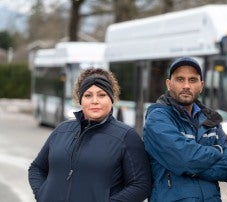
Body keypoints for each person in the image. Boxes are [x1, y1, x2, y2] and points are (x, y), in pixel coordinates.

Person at [28, 68, 152, 202]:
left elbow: (141, 184)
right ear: (80, 99)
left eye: (101, 95)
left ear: (112, 98)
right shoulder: (62, 130)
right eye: (88, 95)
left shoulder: (127, 136)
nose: (95, 101)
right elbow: (37, 168)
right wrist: (43, 195)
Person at [143, 57, 227, 201]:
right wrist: (217, 150)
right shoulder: (157, 118)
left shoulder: (210, 120)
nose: (186, 85)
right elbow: (185, 160)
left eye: (192, 80)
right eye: (180, 79)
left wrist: (190, 168)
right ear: (169, 84)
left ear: (201, 85)